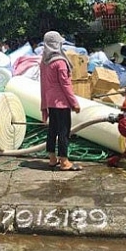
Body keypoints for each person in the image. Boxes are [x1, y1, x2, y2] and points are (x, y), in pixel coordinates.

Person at [39, 31, 82, 171]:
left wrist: (44, 104)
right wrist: (74, 103)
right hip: (62, 102)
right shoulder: (60, 62)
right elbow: (66, 85)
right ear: (56, 44)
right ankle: (64, 161)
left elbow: (43, 85)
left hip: (51, 102)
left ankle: (52, 158)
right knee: (64, 131)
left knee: (52, 130)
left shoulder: (44, 62)